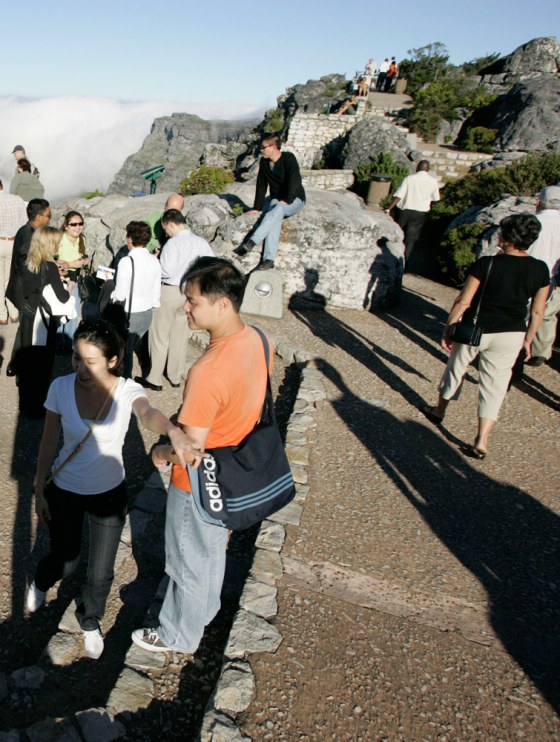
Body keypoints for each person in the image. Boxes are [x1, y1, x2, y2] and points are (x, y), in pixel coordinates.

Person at [28, 318, 202, 660]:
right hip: (65, 490)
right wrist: (38, 489)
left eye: (90, 361)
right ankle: (40, 581)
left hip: (109, 493)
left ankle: (90, 620)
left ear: (112, 361)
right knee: (66, 559)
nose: (80, 367)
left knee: (101, 570)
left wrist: (173, 431)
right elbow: (49, 442)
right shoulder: (60, 388)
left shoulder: (126, 390)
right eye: (77, 358)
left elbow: (147, 412)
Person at [131, 257, 273, 654]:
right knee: (210, 552)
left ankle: (178, 634)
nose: (185, 308)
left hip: (196, 483)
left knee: (186, 560)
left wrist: (161, 451)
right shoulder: (260, 339)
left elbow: (188, 453)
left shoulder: (209, 370)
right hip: (233, 468)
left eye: (192, 301)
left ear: (222, 303)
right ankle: (204, 612)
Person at [423, 214, 550, 459]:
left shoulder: (487, 264)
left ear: (507, 237)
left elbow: (464, 300)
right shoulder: (539, 269)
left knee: (456, 368)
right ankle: (482, 440)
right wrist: (528, 340)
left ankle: (439, 410)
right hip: (512, 333)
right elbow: (537, 311)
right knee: (496, 385)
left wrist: (449, 327)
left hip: (476, 329)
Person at [135, 209, 213, 391]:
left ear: (170, 223)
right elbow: (211, 264)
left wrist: (155, 261)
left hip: (170, 290)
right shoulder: (200, 242)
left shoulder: (173, 243)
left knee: (159, 335)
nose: (166, 232)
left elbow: (167, 271)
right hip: (190, 292)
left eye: (165, 228)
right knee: (180, 335)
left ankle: (154, 377)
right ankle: (175, 375)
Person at [17, 226, 72, 417]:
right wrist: (69, 286)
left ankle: (25, 404)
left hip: (28, 317)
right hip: (43, 321)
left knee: (27, 363)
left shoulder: (27, 263)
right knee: (42, 365)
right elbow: (63, 297)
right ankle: (36, 407)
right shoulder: (50, 267)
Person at [234, 134, 305, 270]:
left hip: (294, 199)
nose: (261, 150)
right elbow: (261, 185)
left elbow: (294, 179)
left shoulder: (288, 158)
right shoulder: (264, 163)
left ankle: (252, 241)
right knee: (275, 217)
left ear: (273, 147)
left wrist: (288, 200)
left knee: (277, 209)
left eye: (263, 147)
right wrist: (257, 207)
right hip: (276, 200)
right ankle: (269, 260)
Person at [5, 199, 51, 375]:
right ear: (39, 216)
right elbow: (28, 268)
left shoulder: (26, 230)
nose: (50, 218)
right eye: (48, 215)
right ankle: (23, 372)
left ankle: (14, 365)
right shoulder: (29, 236)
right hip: (25, 292)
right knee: (27, 331)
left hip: (22, 290)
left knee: (24, 328)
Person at [110, 221, 161, 378]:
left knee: (125, 352)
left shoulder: (127, 261)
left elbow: (120, 294)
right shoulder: (154, 261)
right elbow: (156, 293)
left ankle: (125, 381)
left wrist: (109, 288)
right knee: (134, 347)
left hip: (130, 314)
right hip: (146, 314)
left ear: (130, 238)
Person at [526, 186, 560, 367]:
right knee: (546, 316)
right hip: (552, 280)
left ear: (539, 202)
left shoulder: (530, 221)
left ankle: (520, 347)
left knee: (523, 313)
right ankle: (540, 352)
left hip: (525, 274)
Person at [386, 160, 440, 264]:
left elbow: (399, 195)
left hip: (405, 210)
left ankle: (392, 257)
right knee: (411, 238)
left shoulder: (409, 179)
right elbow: (436, 198)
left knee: (399, 233)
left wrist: (389, 208)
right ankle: (406, 261)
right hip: (420, 213)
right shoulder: (433, 181)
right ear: (428, 169)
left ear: (417, 167)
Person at [57, 211, 91, 343]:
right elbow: (53, 262)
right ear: (66, 226)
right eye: (74, 224)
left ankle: (69, 342)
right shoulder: (59, 239)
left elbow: (81, 255)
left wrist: (84, 261)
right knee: (61, 309)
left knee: (74, 310)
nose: (78, 227)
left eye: (80, 224)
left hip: (76, 278)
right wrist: (71, 264)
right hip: (61, 279)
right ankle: (59, 342)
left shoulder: (82, 239)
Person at [0, 179, 27, 324]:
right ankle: (14, 313)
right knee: (12, 279)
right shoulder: (17, 200)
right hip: (14, 243)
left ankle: (2, 316)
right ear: (2, 185)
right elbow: (24, 223)